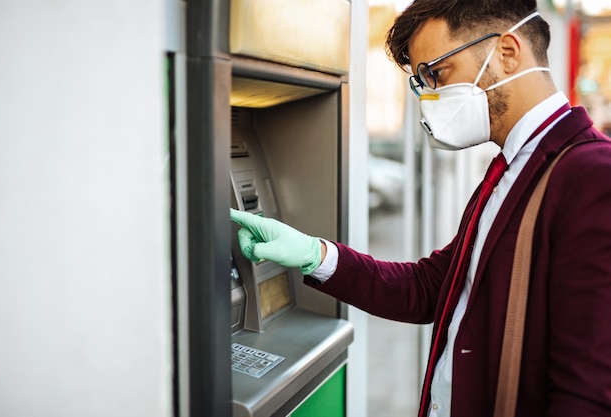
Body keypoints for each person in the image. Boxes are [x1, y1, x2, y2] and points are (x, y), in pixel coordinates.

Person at [230, 0, 611, 415]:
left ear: (507, 52)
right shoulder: (512, 165)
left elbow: (586, 392)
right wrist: (314, 255)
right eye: (421, 81)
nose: (429, 95)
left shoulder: (591, 176)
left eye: (436, 73)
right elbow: (431, 289)